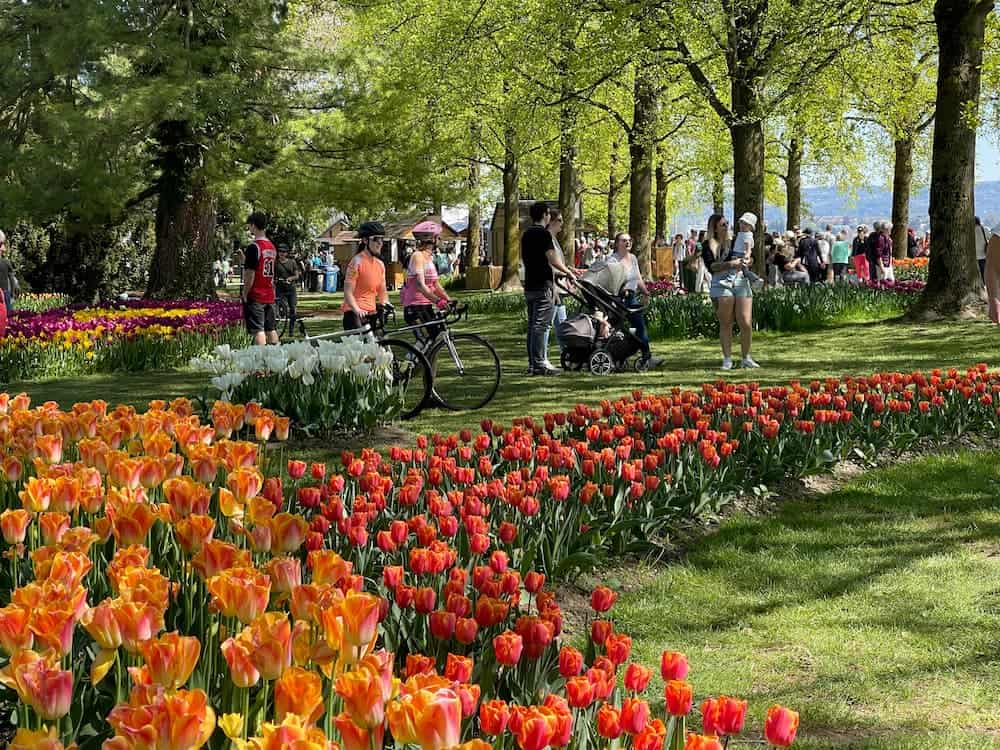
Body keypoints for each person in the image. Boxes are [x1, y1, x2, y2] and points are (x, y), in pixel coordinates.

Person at [521, 202, 579, 376]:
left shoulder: (526, 234)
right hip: (543, 285)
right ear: (546, 215)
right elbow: (552, 259)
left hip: (530, 284)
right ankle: (540, 364)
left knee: (533, 326)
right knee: (541, 325)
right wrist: (568, 272)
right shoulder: (543, 234)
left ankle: (533, 363)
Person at [704, 213, 758, 370]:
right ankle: (727, 359)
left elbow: (748, 255)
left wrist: (749, 260)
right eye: (723, 224)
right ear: (714, 227)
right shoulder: (709, 245)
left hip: (740, 280)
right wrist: (731, 264)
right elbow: (712, 267)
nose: (727, 226)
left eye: (727, 223)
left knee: (745, 322)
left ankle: (746, 357)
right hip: (721, 283)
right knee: (726, 323)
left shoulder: (735, 240)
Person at [608, 232, 663, 369]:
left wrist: (645, 292)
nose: (627, 243)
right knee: (615, 328)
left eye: (629, 240)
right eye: (624, 240)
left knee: (639, 327)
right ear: (617, 243)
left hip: (631, 297)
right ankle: (614, 356)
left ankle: (646, 356)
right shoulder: (612, 260)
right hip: (618, 298)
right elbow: (611, 281)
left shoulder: (632, 258)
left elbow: (638, 277)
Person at [401, 232, 451, 345]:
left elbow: (436, 285)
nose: (440, 239)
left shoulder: (430, 258)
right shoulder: (417, 256)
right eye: (438, 237)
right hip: (414, 307)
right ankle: (409, 362)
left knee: (435, 340)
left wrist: (449, 300)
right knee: (424, 343)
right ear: (431, 239)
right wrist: (438, 301)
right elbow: (420, 285)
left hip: (426, 306)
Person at [342, 222, 389, 331]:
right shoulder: (356, 262)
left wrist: (386, 304)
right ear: (365, 240)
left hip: (371, 313)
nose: (380, 243)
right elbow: (348, 292)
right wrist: (357, 310)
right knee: (360, 347)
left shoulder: (380, 264)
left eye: (382, 239)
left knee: (377, 346)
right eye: (376, 239)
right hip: (354, 313)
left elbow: (382, 291)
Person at [241, 212, 279, 346]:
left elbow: (250, 273)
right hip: (269, 294)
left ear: (253, 225)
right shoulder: (272, 247)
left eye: (249, 226)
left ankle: (260, 360)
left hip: (256, 294)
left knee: (258, 330)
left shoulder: (254, 247)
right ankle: (276, 357)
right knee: (271, 329)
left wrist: (245, 292)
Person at [542, 211, 570, 368]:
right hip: (553, 286)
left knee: (562, 323)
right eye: (559, 220)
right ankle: (542, 358)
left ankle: (567, 353)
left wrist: (570, 270)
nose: (562, 224)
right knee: (547, 324)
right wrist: (567, 272)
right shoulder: (547, 239)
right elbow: (551, 263)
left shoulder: (554, 240)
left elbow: (559, 262)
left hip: (560, 287)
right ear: (551, 221)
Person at [274, 245, 300, 336]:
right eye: (280, 251)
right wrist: (275, 280)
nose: (282, 253)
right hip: (280, 289)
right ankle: (276, 329)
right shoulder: (275, 263)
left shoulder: (292, 262)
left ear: (287, 253)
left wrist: (290, 278)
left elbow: (297, 275)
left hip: (291, 289)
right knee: (280, 309)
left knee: (293, 309)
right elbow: (272, 275)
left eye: (284, 252)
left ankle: (291, 331)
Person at [0, 230, 17, 318]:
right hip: (4, 293)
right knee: (7, 315)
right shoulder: (6, 262)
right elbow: (12, 279)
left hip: (4, 292)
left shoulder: (6, 262)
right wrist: (13, 293)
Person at [975, 216, 991, 282]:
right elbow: (991, 237)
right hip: (984, 254)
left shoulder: (968, 232)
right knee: (984, 272)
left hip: (974, 256)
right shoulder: (984, 229)